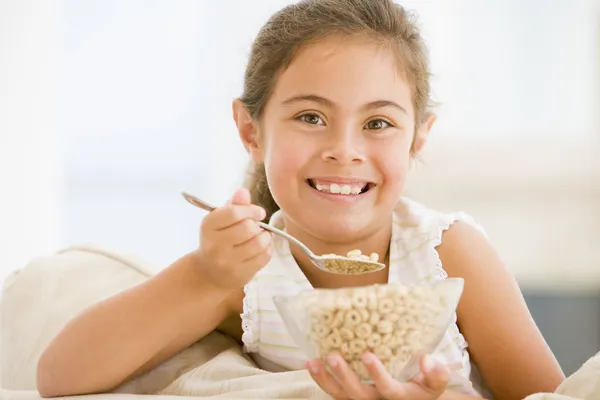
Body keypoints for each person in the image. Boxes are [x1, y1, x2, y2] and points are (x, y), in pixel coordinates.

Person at [36, 1, 566, 399]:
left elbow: (549, 395)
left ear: (417, 139)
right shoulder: (248, 269)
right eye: (310, 118)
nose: (344, 151)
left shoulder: (446, 252)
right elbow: (60, 376)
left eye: (378, 123)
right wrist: (204, 275)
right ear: (251, 130)